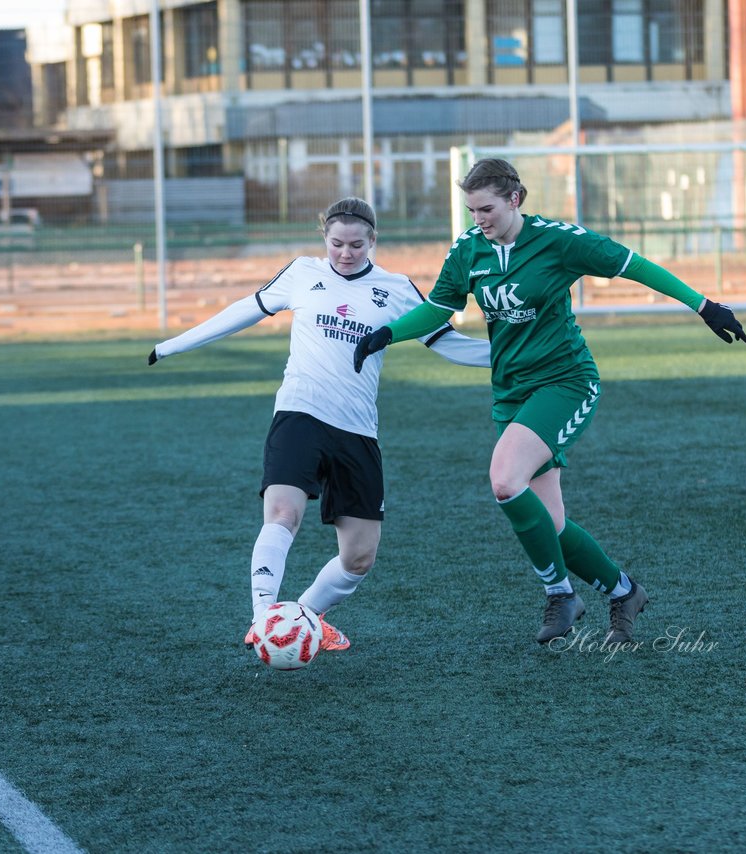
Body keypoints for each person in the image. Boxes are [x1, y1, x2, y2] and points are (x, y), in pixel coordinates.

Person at [353, 158, 746, 645]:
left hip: (564, 383)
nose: (479, 219)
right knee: (551, 522)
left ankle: (560, 594)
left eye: (487, 208)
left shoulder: (559, 240)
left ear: (515, 199)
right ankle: (624, 591)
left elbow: (633, 265)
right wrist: (386, 334)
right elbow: (440, 307)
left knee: (504, 480)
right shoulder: (469, 250)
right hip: (510, 393)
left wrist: (704, 305)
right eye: (472, 210)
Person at [148, 197, 490, 650]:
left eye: (355, 245)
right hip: (299, 413)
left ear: (373, 241)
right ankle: (263, 618)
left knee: (360, 556)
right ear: (323, 239)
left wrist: (510, 359)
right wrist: (174, 344)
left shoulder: (397, 288)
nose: (345, 254)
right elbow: (243, 310)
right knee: (283, 514)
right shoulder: (302, 273)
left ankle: (304, 616)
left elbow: (445, 342)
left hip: (358, 431)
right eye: (336, 244)